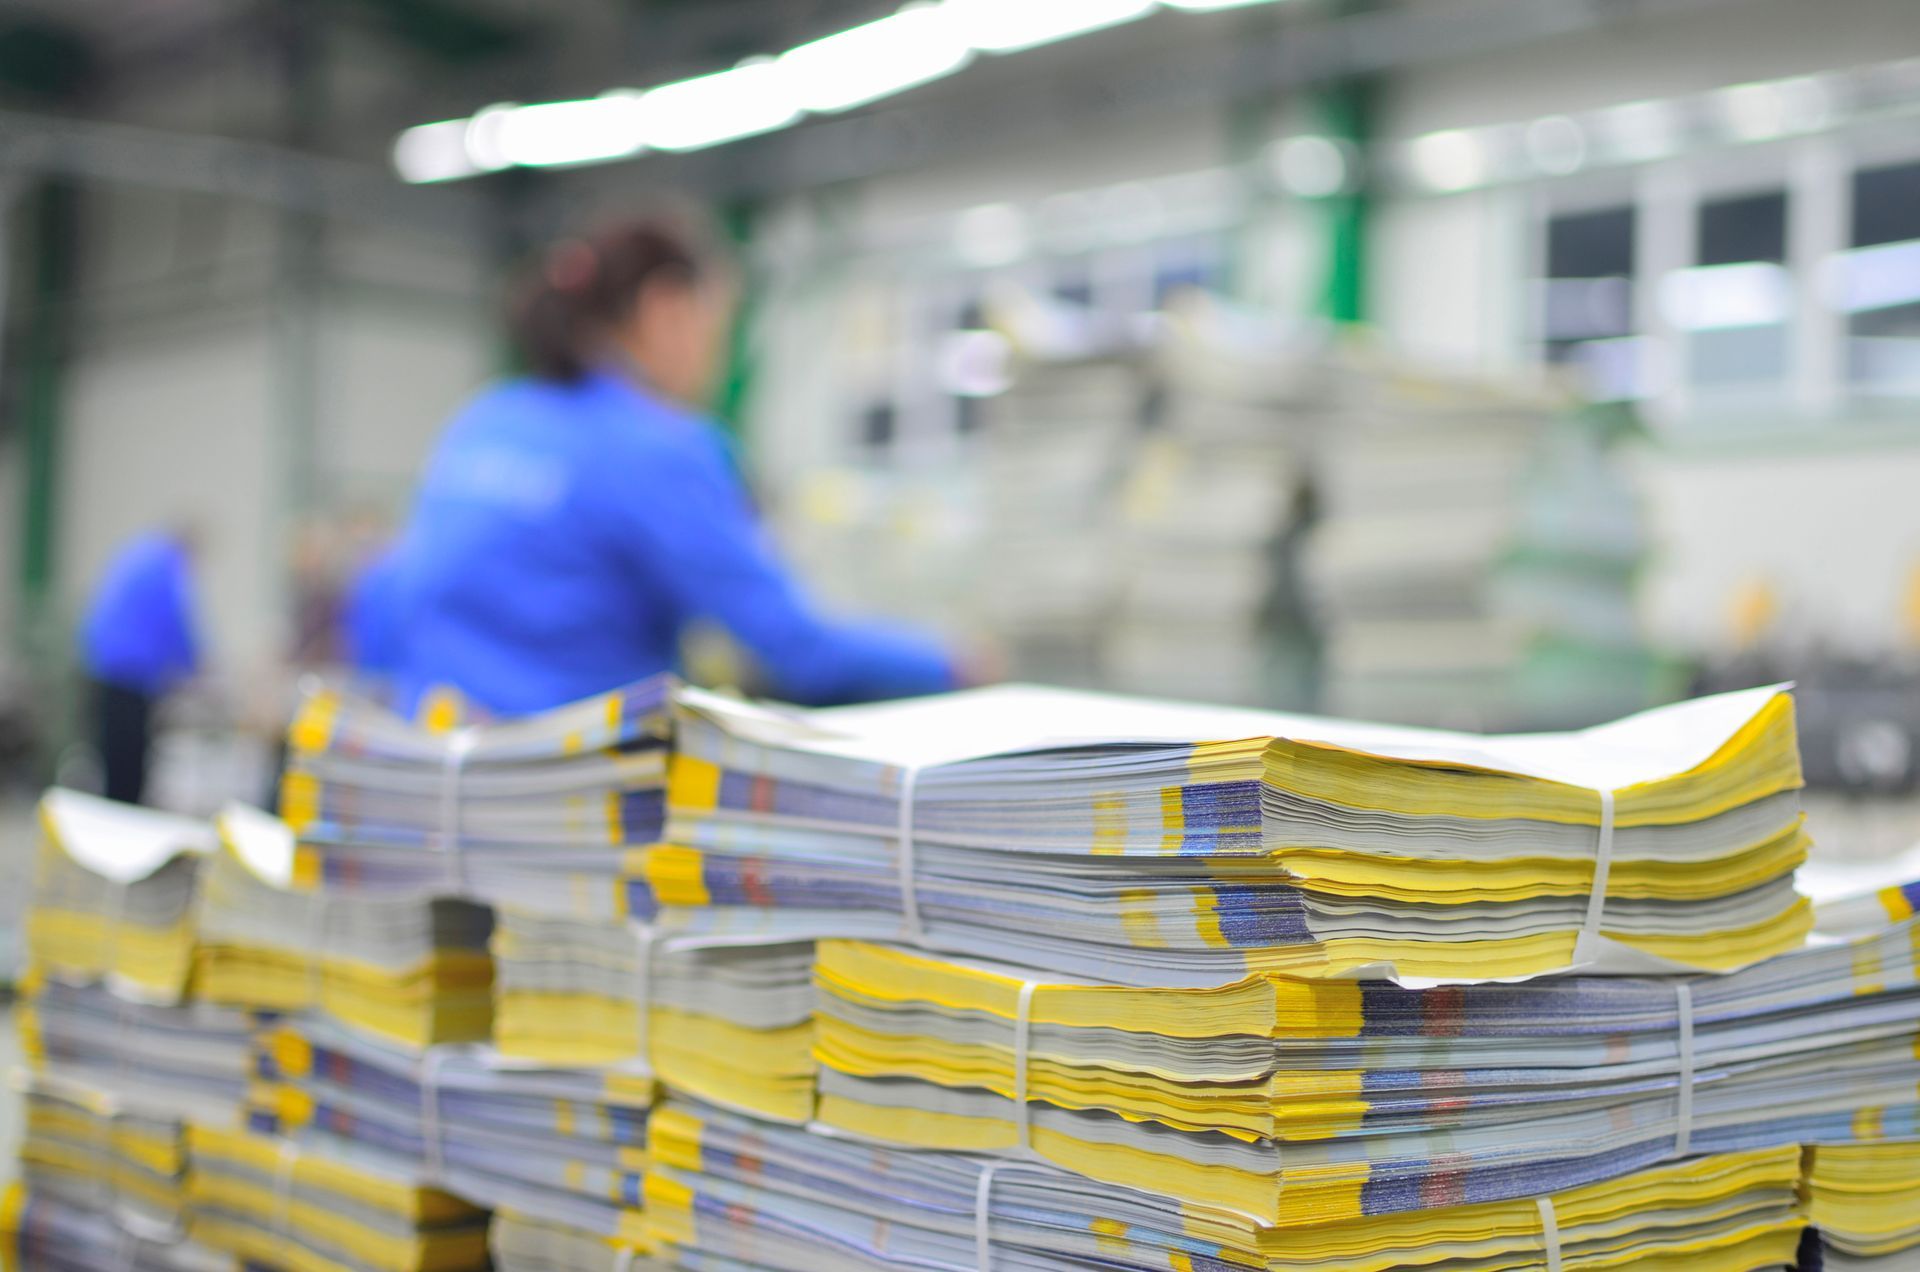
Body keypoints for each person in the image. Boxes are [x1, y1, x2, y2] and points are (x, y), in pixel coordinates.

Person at [390, 214, 964, 717]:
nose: (714, 358)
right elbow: (796, 649)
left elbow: (386, 602)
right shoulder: (660, 446)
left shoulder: (485, 419)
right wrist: (953, 663)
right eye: (717, 329)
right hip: (574, 795)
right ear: (664, 310)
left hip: (441, 775)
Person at [77, 527, 201, 803]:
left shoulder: (139, 555)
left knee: (112, 759)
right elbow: (179, 624)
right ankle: (125, 829)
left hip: (100, 666)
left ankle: (114, 815)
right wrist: (197, 666)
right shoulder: (167, 566)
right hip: (128, 673)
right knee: (129, 764)